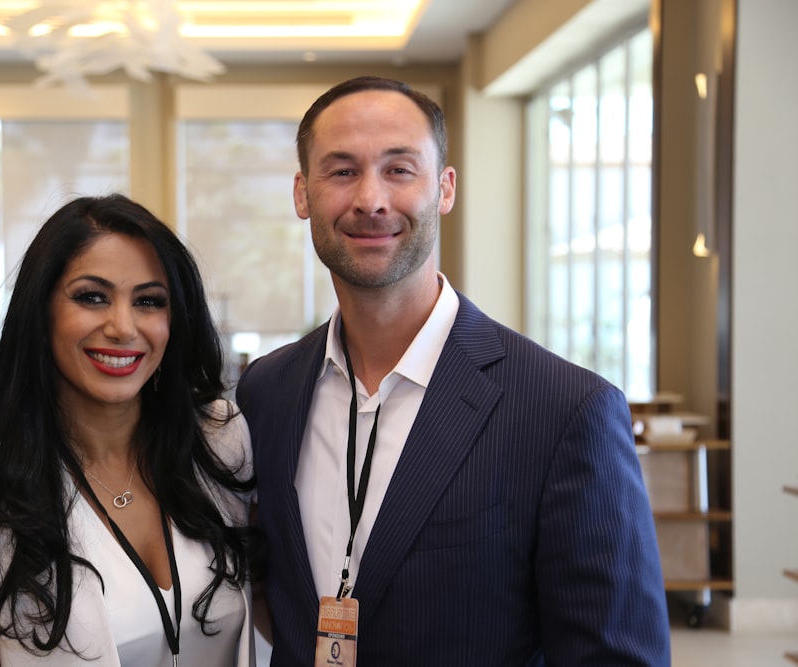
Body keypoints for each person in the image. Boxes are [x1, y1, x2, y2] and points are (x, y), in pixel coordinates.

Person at [236, 76, 670, 666]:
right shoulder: (266, 392)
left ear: (444, 188)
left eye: (399, 169)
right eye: (341, 171)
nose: (370, 199)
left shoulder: (566, 410)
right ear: (302, 194)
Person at [0, 193, 259, 666]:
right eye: (92, 297)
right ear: (41, 314)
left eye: (148, 301)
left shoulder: (222, 445)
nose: (123, 327)